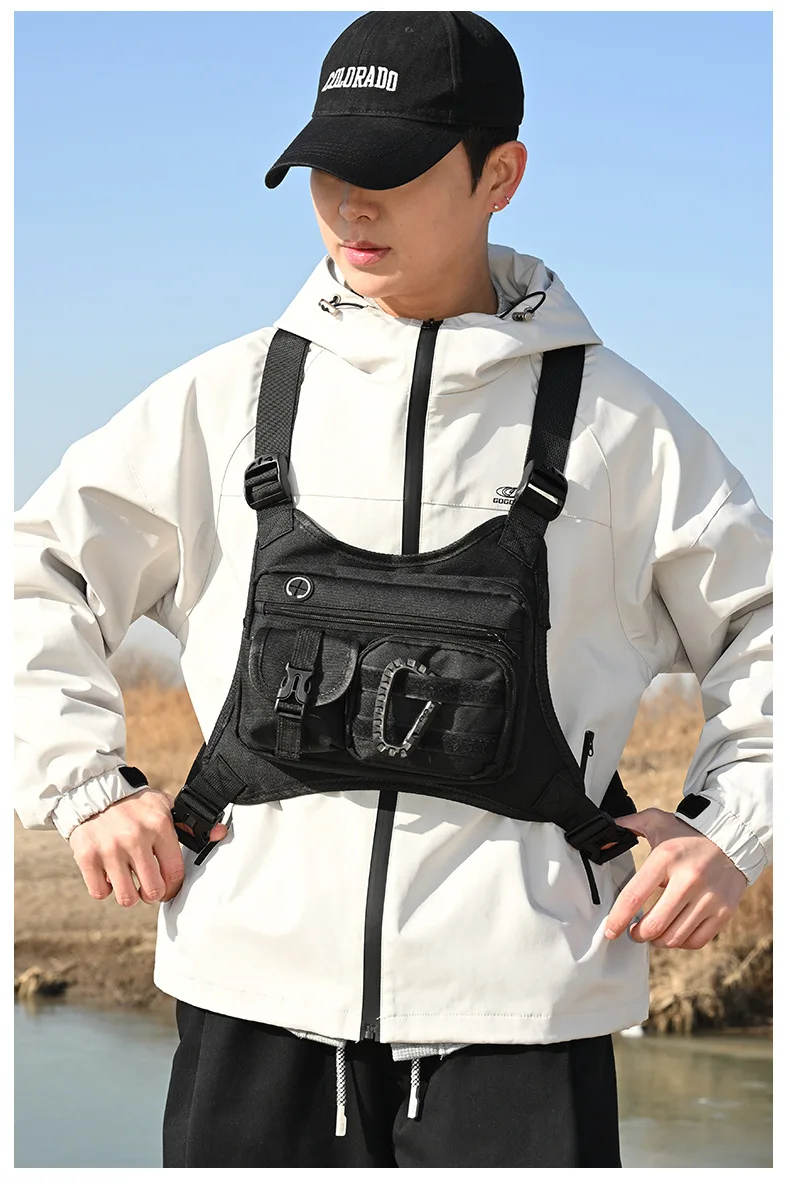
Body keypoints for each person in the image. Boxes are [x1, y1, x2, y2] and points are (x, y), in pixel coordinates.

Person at [14, 10, 772, 1170]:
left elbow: (766, 626)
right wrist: (84, 787)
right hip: (246, 1003)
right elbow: (38, 572)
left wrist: (730, 830)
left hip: (524, 1023)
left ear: (499, 175)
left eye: (393, 171)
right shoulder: (221, 401)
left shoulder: (625, 429)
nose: (349, 207)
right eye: (328, 171)